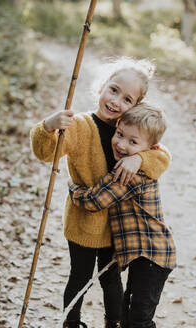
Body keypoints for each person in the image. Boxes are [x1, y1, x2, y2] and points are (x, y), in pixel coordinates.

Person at [30, 58, 171, 328]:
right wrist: (48, 127)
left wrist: (139, 160)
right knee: (80, 276)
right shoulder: (81, 125)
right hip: (83, 222)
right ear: (101, 87)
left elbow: (162, 157)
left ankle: (114, 322)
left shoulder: (131, 130)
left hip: (115, 225)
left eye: (127, 99)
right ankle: (71, 322)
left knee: (111, 278)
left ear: (135, 107)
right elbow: (46, 153)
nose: (117, 101)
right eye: (114, 90)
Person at [68, 104, 177, 328]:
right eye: (119, 134)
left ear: (150, 148)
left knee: (139, 320)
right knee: (129, 315)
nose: (121, 144)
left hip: (152, 257)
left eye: (133, 142)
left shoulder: (130, 174)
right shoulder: (131, 163)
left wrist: (73, 188)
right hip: (146, 257)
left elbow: (93, 201)